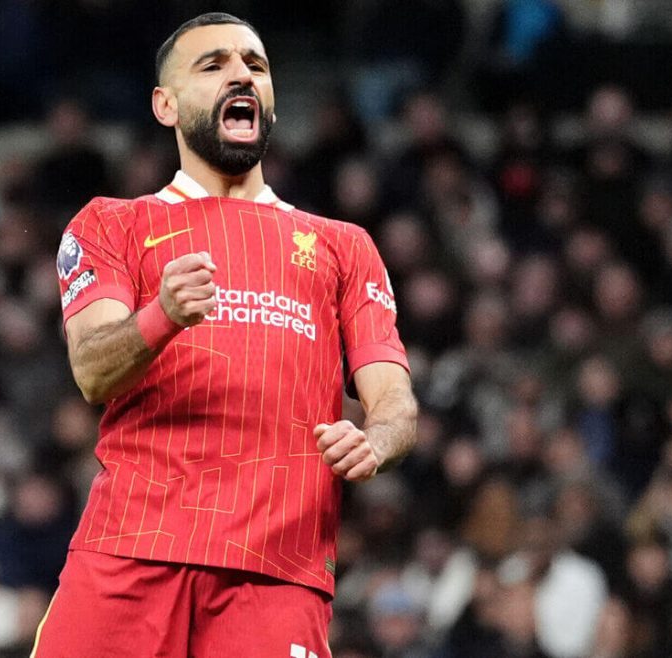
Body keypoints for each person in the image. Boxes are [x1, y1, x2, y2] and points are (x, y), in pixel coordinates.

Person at [39, 13, 418, 656]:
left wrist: (375, 442)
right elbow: (92, 372)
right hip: (133, 550)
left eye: (255, 65)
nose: (241, 74)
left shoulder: (343, 246)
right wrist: (161, 314)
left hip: (278, 571)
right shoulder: (111, 224)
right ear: (165, 105)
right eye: (213, 65)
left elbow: (395, 401)